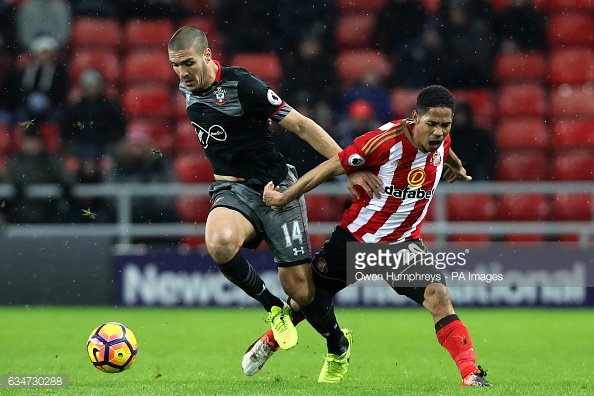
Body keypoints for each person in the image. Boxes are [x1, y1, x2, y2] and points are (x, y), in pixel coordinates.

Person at [243, 85, 492, 387]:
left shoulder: (440, 139)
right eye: (433, 124)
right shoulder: (384, 142)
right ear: (415, 118)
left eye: (445, 125)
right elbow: (329, 167)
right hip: (357, 240)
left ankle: (470, 375)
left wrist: (457, 165)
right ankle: (271, 341)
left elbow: (446, 148)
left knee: (438, 296)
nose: (439, 132)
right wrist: (284, 198)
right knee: (306, 299)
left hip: (402, 246)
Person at [167, 26, 360, 382]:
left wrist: (348, 164)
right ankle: (273, 308)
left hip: (276, 191)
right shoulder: (187, 85)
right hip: (232, 191)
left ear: (208, 56)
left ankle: (337, 344)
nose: (182, 73)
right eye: (176, 66)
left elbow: (301, 125)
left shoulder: (245, 86)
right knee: (219, 243)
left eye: (189, 63)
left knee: (301, 292)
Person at [61, 68, 127, 161]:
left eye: (94, 86)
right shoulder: (74, 109)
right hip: (80, 147)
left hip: (105, 147)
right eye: (88, 86)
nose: (91, 90)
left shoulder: (111, 108)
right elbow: (67, 132)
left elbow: (120, 129)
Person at [4, 35, 69, 124]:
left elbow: (61, 91)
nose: (45, 56)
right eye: (43, 53)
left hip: (51, 107)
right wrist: (27, 100)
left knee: (57, 116)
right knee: (21, 115)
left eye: (48, 53)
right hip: (27, 106)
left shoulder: (58, 71)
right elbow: (17, 90)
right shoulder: (25, 71)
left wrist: (50, 102)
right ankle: (27, 136)